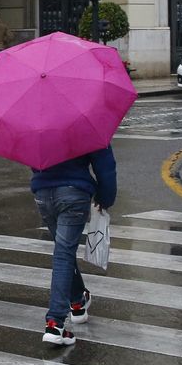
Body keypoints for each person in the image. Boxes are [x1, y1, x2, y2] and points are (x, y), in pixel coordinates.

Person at [29, 146, 117, 346]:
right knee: (64, 254)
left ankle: (78, 301)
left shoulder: (36, 120)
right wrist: (105, 198)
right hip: (73, 194)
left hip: (43, 194)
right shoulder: (85, 120)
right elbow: (105, 164)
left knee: (64, 251)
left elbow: (34, 158)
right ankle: (55, 322)